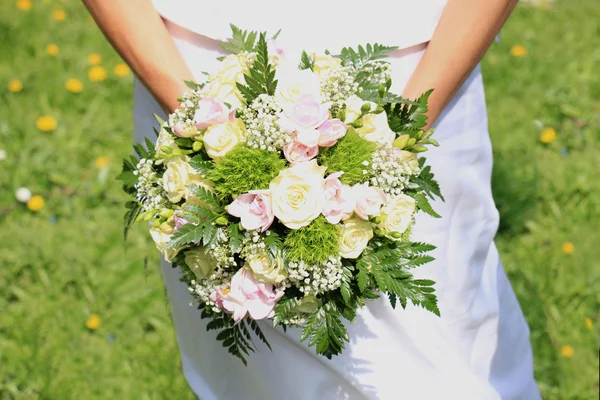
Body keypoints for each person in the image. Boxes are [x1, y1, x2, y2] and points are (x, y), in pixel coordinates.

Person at [84, 1, 541, 399]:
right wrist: (203, 124)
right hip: (193, 70)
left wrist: (400, 134)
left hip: (420, 72)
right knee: (250, 383)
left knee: (445, 367)